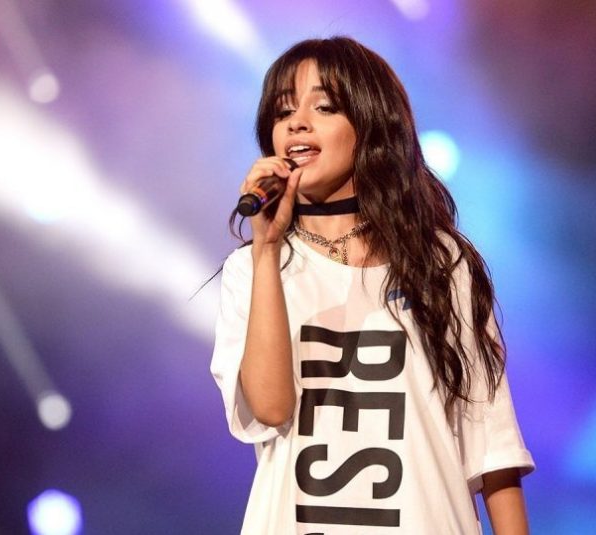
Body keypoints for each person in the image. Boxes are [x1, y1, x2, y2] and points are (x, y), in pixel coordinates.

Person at [210, 36, 534, 534]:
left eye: (324, 107)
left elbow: (493, 450)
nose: (297, 123)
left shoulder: (440, 264)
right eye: (283, 111)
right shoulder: (254, 269)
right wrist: (267, 252)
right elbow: (271, 408)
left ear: (370, 125)